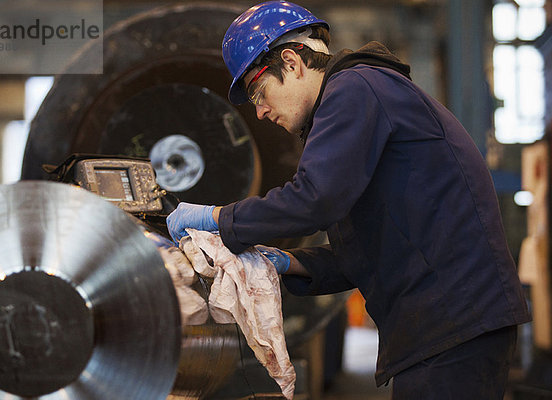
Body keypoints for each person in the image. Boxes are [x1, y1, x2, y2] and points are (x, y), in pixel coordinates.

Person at [166, 1, 531, 398]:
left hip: (453, 320)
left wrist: (218, 218)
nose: (260, 112)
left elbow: (314, 200)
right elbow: (366, 251)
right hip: (449, 322)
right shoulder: (362, 97)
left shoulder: (355, 88)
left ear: (291, 63)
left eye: (259, 91)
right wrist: (289, 262)